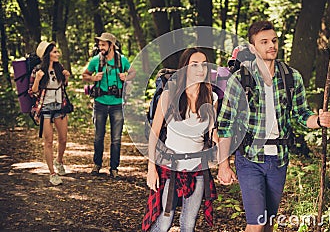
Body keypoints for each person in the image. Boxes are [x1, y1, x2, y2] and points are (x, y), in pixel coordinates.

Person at [217, 20, 330, 232]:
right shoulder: (240, 80)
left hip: (279, 159)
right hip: (249, 158)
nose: (271, 45)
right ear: (252, 48)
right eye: (264, 42)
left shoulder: (291, 77)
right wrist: (223, 165)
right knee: (256, 223)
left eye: (274, 40)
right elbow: (225, 125)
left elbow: (302, 114)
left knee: (269, 222)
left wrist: (319, 121)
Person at [142, 47, 218, 232]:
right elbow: (154, 133)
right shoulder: (170, 95)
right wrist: (151, 168)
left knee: (189, 223)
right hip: (170, 166)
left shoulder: (212, 97)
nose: (200, 69)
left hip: (197, 168)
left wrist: (220, 154)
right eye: (194, 65)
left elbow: (212, 133)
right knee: (164, 222)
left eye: (203, 65)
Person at [82, 32, 135, 179]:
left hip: (117, 104)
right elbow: (84, 75)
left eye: (103, 44)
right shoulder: (96, 60)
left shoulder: (122, 60)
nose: (100, 47)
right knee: (99, 136)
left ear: (111, 45)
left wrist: (126, 76)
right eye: (99, 44)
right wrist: (93, 77)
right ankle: (97, 164)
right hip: (100, 103)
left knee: (116, 139)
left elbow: (133, 73)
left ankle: (114, 168)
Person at [29, 41, 71, 186]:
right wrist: (38, 79)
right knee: (48, 142)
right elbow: (32, 91)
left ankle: (59, 161)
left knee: (63, 139)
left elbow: (63, 86)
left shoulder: (60, 68)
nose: (57, 54)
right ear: (47, 55)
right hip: (45, 107)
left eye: (57, 51)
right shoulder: (38, 70)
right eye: (54, 52)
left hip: (60, 106)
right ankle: (52, 173)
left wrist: (66, 78)